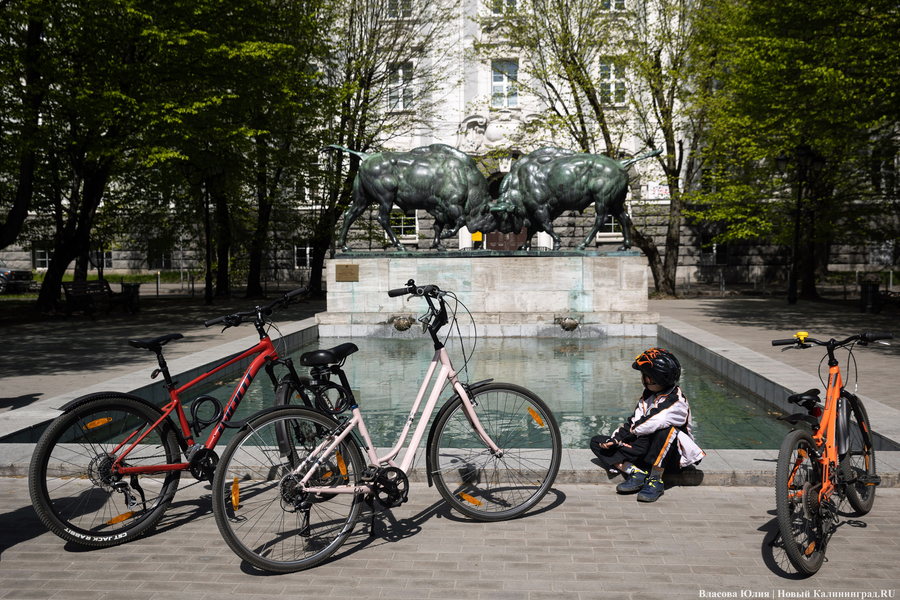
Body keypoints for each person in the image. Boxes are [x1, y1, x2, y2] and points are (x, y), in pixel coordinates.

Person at [590, 348, 704, 502]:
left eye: (645, 374)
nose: (642, 378)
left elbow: (644, 425)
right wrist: (616, 439)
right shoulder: (648, 395)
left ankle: (656, 480)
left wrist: (629, 434)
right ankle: (636, 472)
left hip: (669, 458)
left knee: (665, 430)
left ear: (653, 378)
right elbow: (634, 421)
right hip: (645, 450)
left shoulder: (676, 401)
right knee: (597, 442)